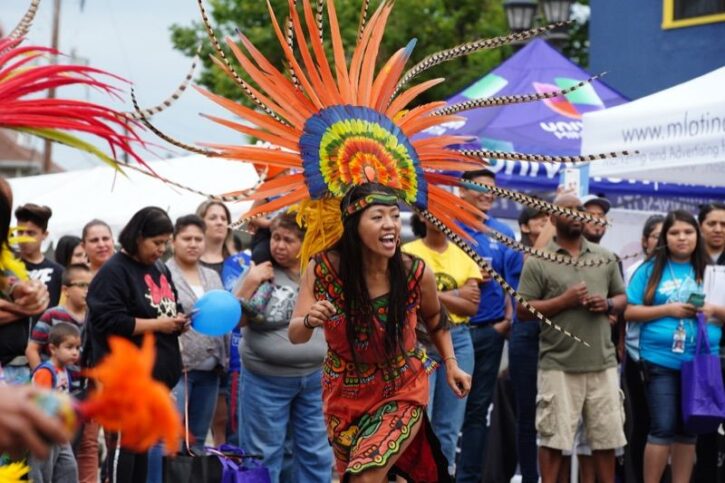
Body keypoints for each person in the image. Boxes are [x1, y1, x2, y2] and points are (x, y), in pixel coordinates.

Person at [289, 184, 471, 482]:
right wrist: (309, 320)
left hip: (403, 386)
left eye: (395, 215)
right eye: (377, 217)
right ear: (353, 225)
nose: (390, 224)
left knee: (365, 476)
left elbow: (436, 316)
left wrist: (451, 363)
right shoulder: (322, 269)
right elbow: (296, 334)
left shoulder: (415, 271)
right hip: (343, 393)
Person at [517, 193, 627, 483]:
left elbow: (621, 296)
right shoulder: (539, 260)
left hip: (602, 363)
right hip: (558, 366)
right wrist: (563, 301)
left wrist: (609, 305)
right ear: (552, 219)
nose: (577, 214)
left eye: (580, 209)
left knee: (605, 442)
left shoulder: (604, 257)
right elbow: (522, 311)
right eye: (567, 210)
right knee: (553, 443)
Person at [86, 206, 187, 483]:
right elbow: (109, 320)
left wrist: (178, 322)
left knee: (142, 452)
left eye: (165, 242)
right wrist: (160, 325)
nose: (161, 249)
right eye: (157, 242)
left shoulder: (159, 267)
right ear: (139, 236)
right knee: (124, 453)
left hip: (155, 382)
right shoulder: (114, 271)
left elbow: (169, 307)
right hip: (124, 382)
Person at [626, 209, 725, 483]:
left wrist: (713, 308)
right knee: (662, 426)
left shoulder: (713, 271)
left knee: (688, 429)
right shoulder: (649, 269)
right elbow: (630, 313)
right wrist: (668, 310)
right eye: (674, 232)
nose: (682, 237)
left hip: (702, 362)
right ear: (665, 237)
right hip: (659, 361)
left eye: (688, 232)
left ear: (697, 235)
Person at [235, 212, 332, 482]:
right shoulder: (260, 270)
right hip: (265, 380)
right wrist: (251, 282)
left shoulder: (318, 272)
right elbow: (236, 319)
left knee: (316, 453)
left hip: (314, 380)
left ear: (306, 242)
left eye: (288, 240)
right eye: (276, 238)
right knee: (262, 455)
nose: (279, 245)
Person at [402, 214, 481, 477]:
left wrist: (429, 293)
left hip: (457, 339)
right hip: (419, 338)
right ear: (421, 217)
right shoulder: (407, 252)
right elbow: (406, 297)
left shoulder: (465, 253)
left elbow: (471, 305)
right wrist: (454, 294)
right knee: (419, 422)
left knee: (448, 426)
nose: (441, 218)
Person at [457, 169, 522, 483]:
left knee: (477, 411)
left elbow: (515, 283)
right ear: (462, 192)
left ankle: (468, 478)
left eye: (491, 189)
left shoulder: (502, 232)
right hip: (450, 334)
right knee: (441, 410)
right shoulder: (446, 226)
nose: (487, 194)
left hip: (489, 333)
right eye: (479, 188)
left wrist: (506, 323)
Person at [166, 215, 227, 454]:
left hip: (211, 371)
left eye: (198, 239)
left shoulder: (211, 276)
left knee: (199, 439)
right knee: (172, 438)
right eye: (186, 238)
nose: (193, 244)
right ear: (173, 241)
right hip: (179, 370)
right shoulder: (164, 273)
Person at [621, 214, 664, 483]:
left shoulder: (683, 269)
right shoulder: (635, 271)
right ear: (645, 242)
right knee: (643, 424)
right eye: (656, 237)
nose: (662, 242)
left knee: (672, 428)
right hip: (639, 357)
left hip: (675, 359)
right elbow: (627, 311)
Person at [75, 218, 114, 483]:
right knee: (88, 440)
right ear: (84, 246)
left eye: (105, 238)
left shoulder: (125, 275)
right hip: (85, 367)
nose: (101, 245)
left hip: (118, 367)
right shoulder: (76, 279)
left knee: (117, 437)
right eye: (94, 240)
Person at [509, 207, 546, 483]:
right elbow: (530, 263)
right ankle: (530, 477)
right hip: (524, 333)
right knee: (527, 414)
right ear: (524, 227)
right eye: (541, 220)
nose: (548, 224)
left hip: (553, 336)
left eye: (550, 218)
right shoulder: (515, 252)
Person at [195, 200, 233, 445]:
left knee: (228, 423)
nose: (220, 221)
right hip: (199, 354)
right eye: (213, 217)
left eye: (223, 217)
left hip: (234, 353)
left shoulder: (240, 263)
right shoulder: (191, 265)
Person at [694, 203, 725, 481]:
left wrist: (717, 312)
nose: (718, 229)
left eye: (723, 225)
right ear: (700, 226)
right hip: (697, 357)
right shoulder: (688, 261)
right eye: (711, 223)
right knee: (701, 429)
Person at [28, 322, 81, 483]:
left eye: (77, 348)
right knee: (43, 471)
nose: (75, 353)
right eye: (69, 347)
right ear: (53, 349)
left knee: (69, 468)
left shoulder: (65, 372)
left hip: (59, 431)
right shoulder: (45, 372)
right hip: (43, 432)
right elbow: (39, 404)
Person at [26, 264, 91, 390]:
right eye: (82, 285)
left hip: (84, 389)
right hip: (56, 390)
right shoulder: (52, 315)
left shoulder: (93, 317)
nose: (87, 290)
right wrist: (44, 377)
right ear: (65, 290)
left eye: (90, 285)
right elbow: (32, 349)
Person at [15, 204, 64, 309]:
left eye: (30, 233)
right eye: (20, 232)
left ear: (44, 235)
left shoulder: (58, 272)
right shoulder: (6, 269)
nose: (24, 238)